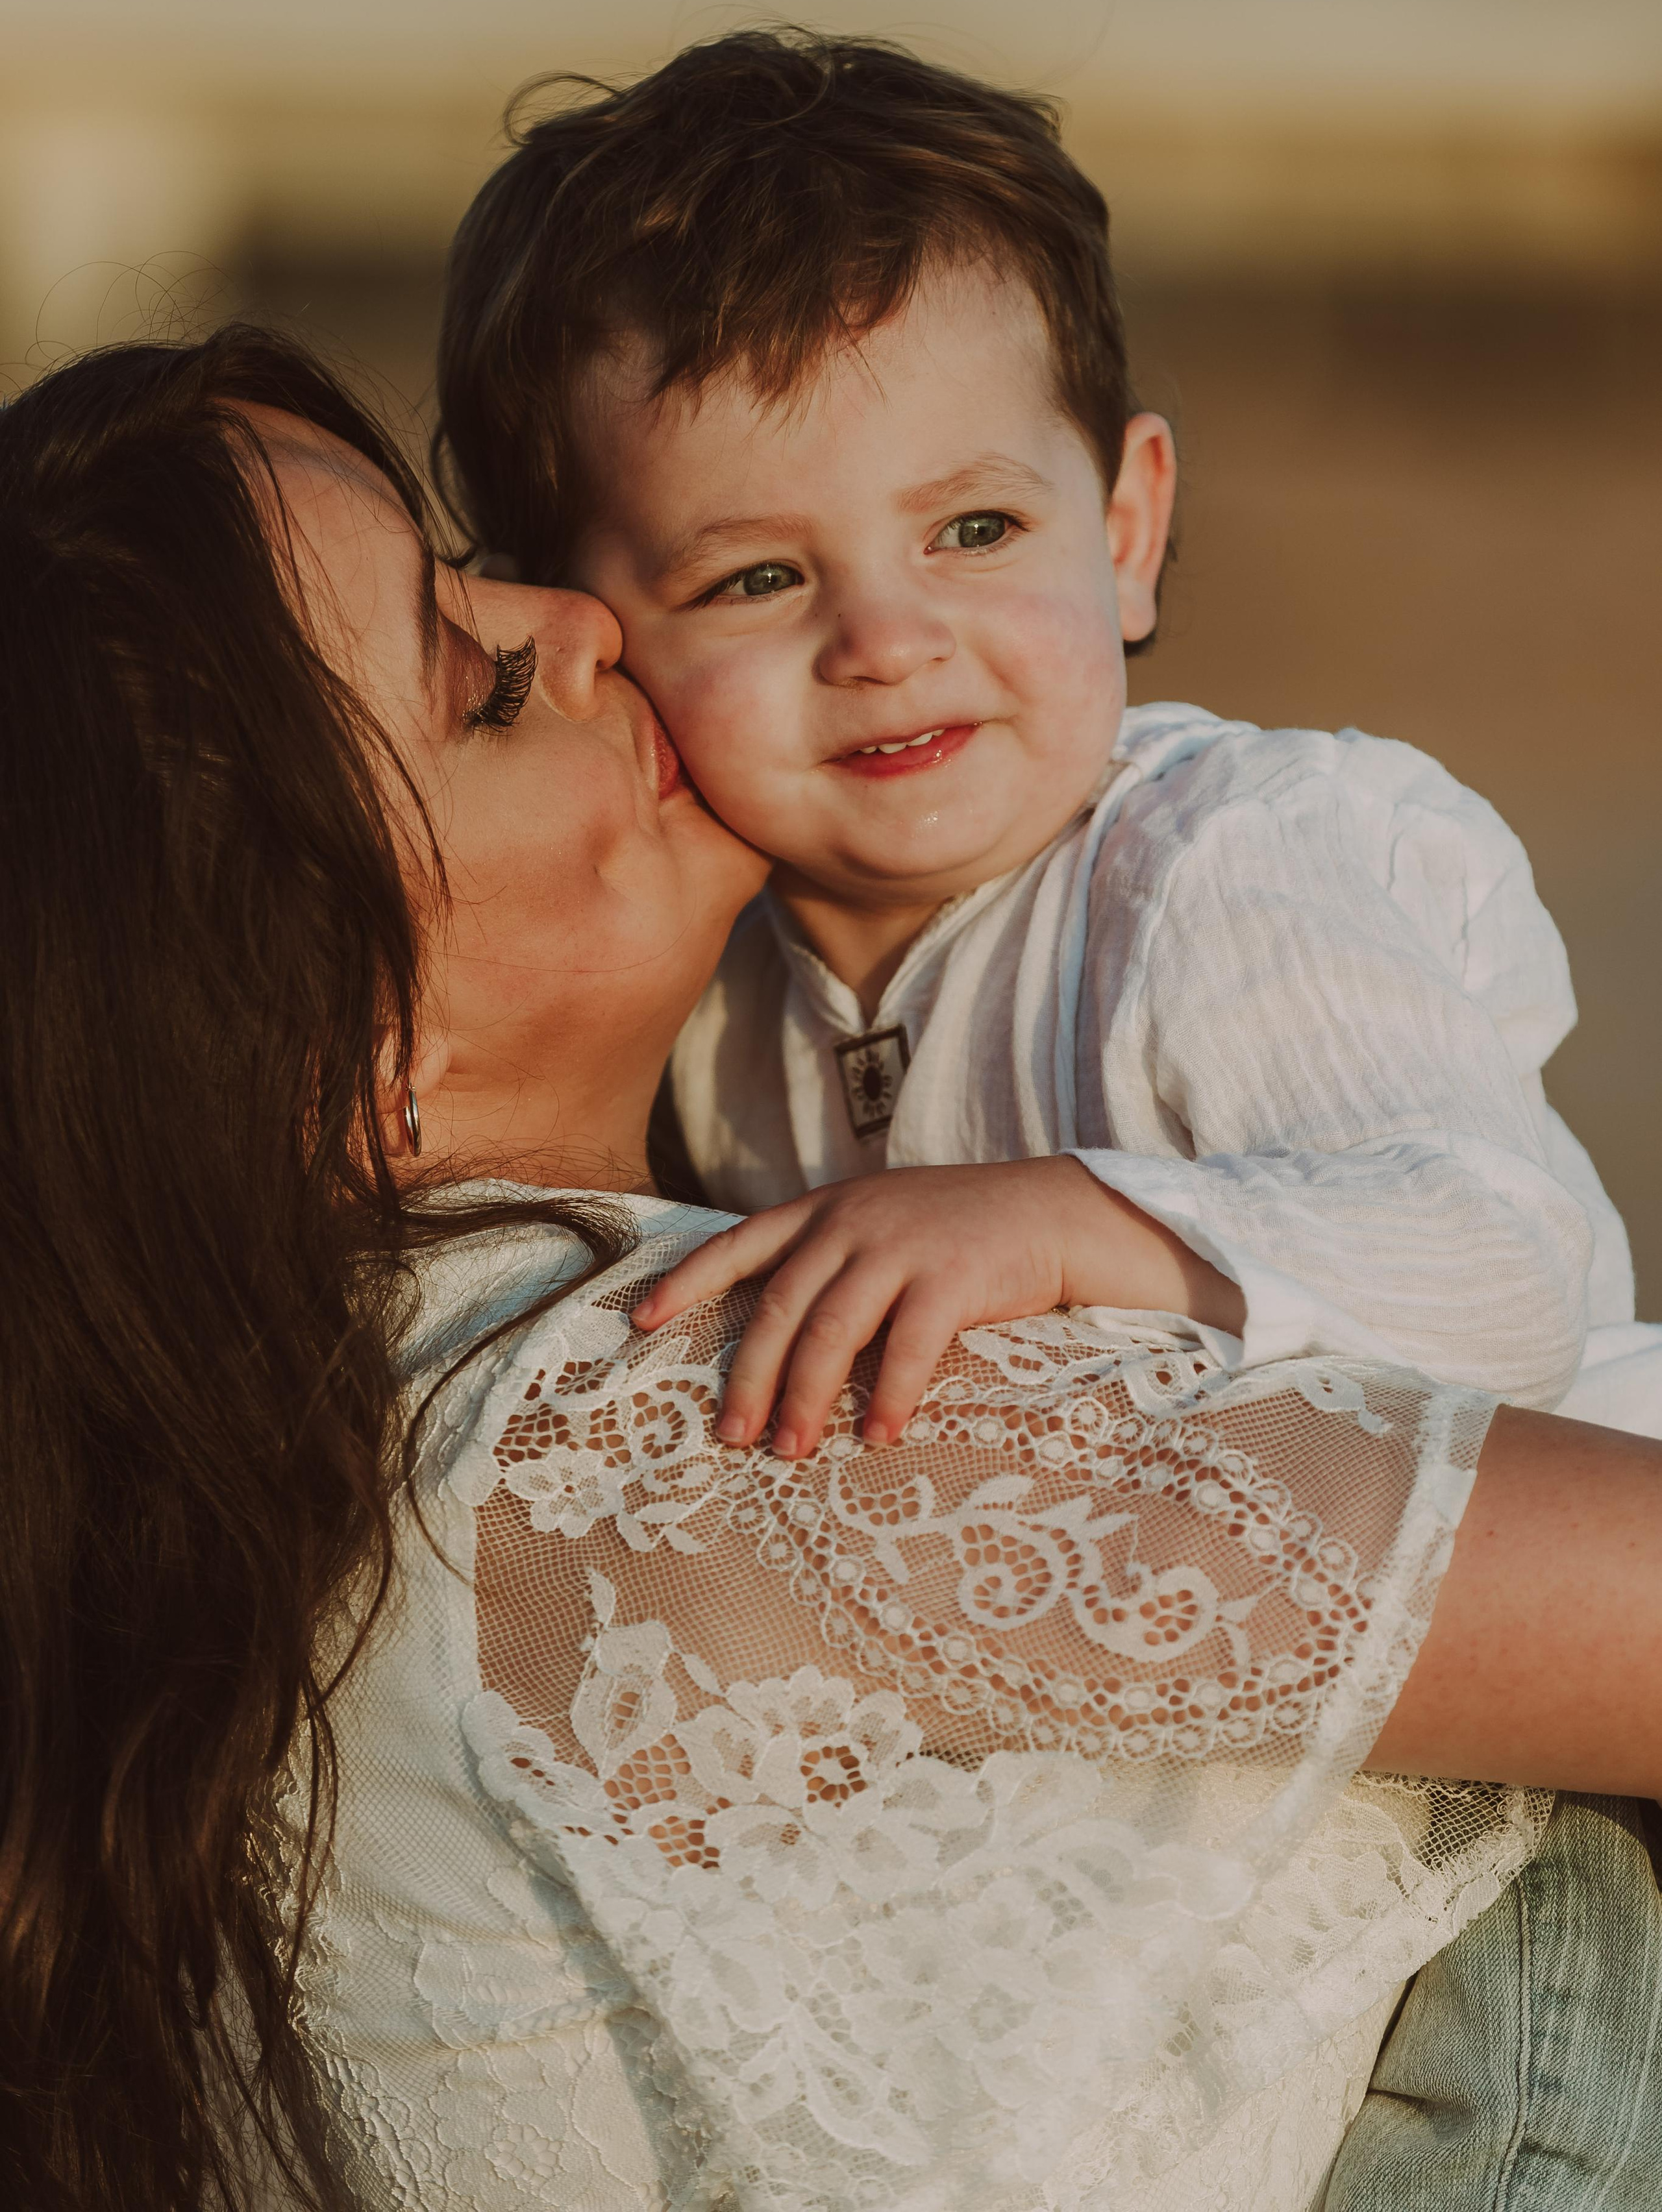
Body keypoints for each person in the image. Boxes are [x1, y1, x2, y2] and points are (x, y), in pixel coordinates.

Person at [5, 331, 1661, 2212]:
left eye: (475, 562)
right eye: (479, 684)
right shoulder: (696, 1423)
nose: (582, 617)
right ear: (330, 1048)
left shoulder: (221, 1512)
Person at [435, 27, 1662, 1465]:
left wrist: (1063, 1219)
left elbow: (1498, 1273)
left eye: (974, 531)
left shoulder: (1218, 865)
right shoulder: (713, 995)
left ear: (1125, 531)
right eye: (756, 579)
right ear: (583, 633)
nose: (887, 644)